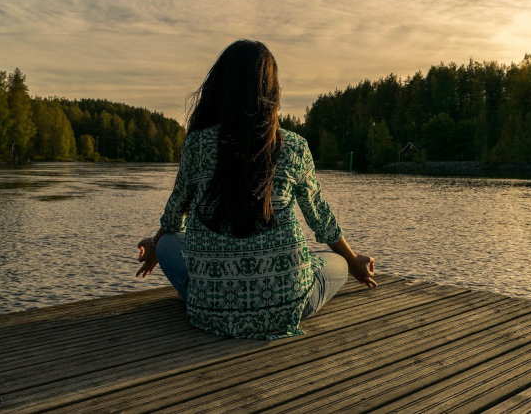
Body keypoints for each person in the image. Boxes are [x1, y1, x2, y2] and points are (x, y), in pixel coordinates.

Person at [136, 40, 376, 340]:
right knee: (337, 262)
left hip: (210, 310)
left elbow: (175, 213)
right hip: (286, 306)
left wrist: (157, 242)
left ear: (220, 87)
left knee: (171, 242)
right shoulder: (294, 146)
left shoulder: (196, 144)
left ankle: (209, 293)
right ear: (271, 91)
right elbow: (320, 219)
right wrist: (353, 261)